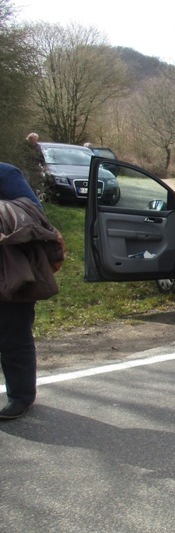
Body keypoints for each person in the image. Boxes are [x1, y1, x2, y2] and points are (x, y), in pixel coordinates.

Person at [0, 162, 64, 420]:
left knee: (13, 335)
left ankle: (21, 396)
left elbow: (35, 213)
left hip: (12, 269)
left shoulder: (5, 173)